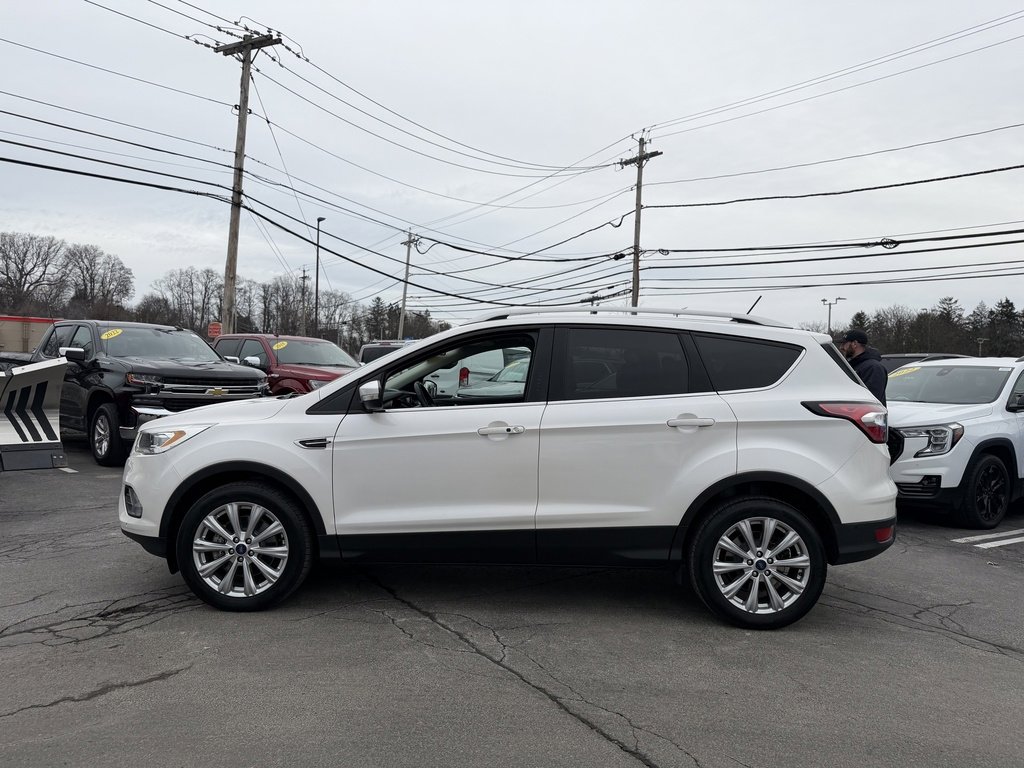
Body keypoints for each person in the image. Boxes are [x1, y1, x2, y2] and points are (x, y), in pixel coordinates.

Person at [839, 329, 887, 404]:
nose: (841, 347)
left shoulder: (873, 368)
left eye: (844, 344)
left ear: (854, 344)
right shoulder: (853, 365)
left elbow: (870, 401)